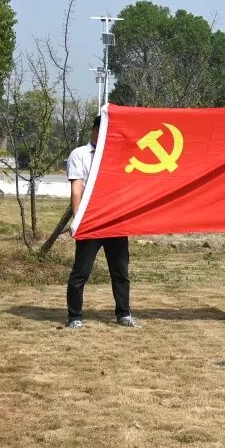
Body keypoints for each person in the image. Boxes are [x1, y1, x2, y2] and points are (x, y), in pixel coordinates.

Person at [66, 116, 135, 329]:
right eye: (102, 130)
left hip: (115, 220)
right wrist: (78, 220)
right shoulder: (80, 154)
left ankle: (123, 314)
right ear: (94, 131)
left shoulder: (118, 156)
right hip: (91, 220)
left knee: (120, 271)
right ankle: (74, 317)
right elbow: (76, 188)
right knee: (81, 271)